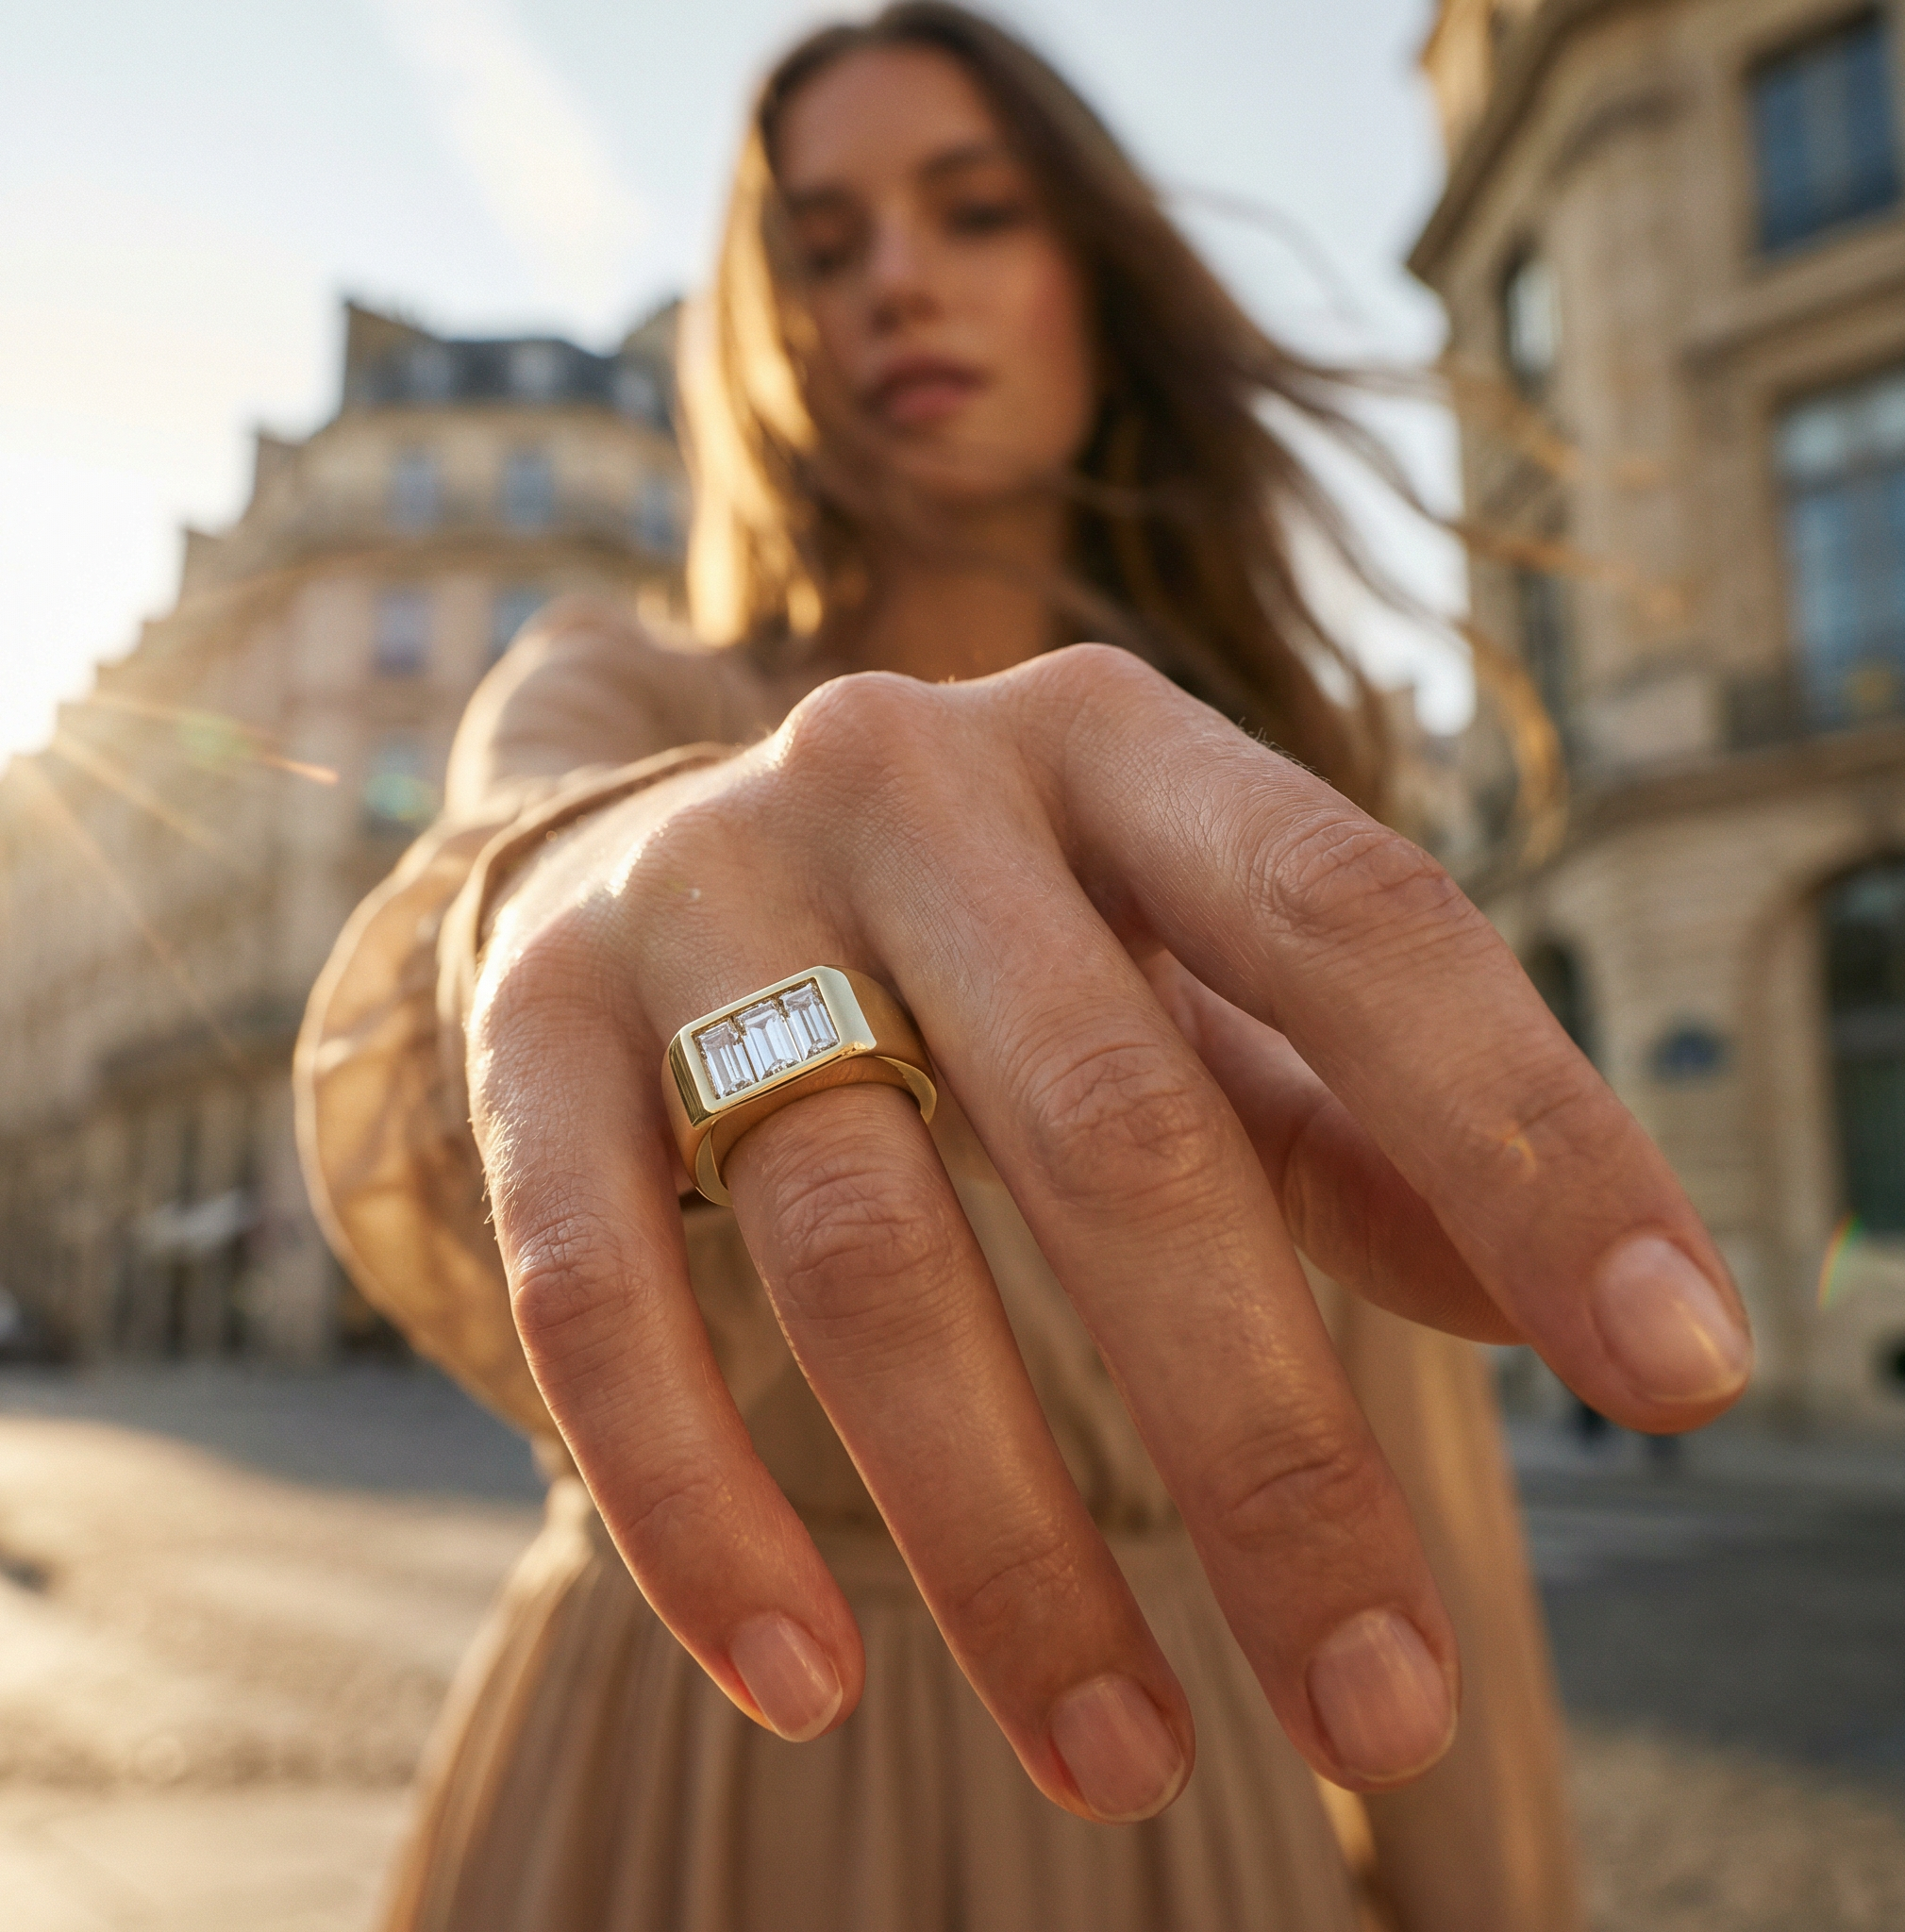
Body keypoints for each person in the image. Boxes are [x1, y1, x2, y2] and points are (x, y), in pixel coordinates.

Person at [295, 8, 1752, 1928]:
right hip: (690, 1782)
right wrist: (599, 885)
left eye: (973, 211)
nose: (895, 281)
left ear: (1098, 282)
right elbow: (506, 873)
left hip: (1183, 1816)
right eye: (822, 246)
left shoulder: (1261, 814)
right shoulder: (625, 685)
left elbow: (1414, 1498)